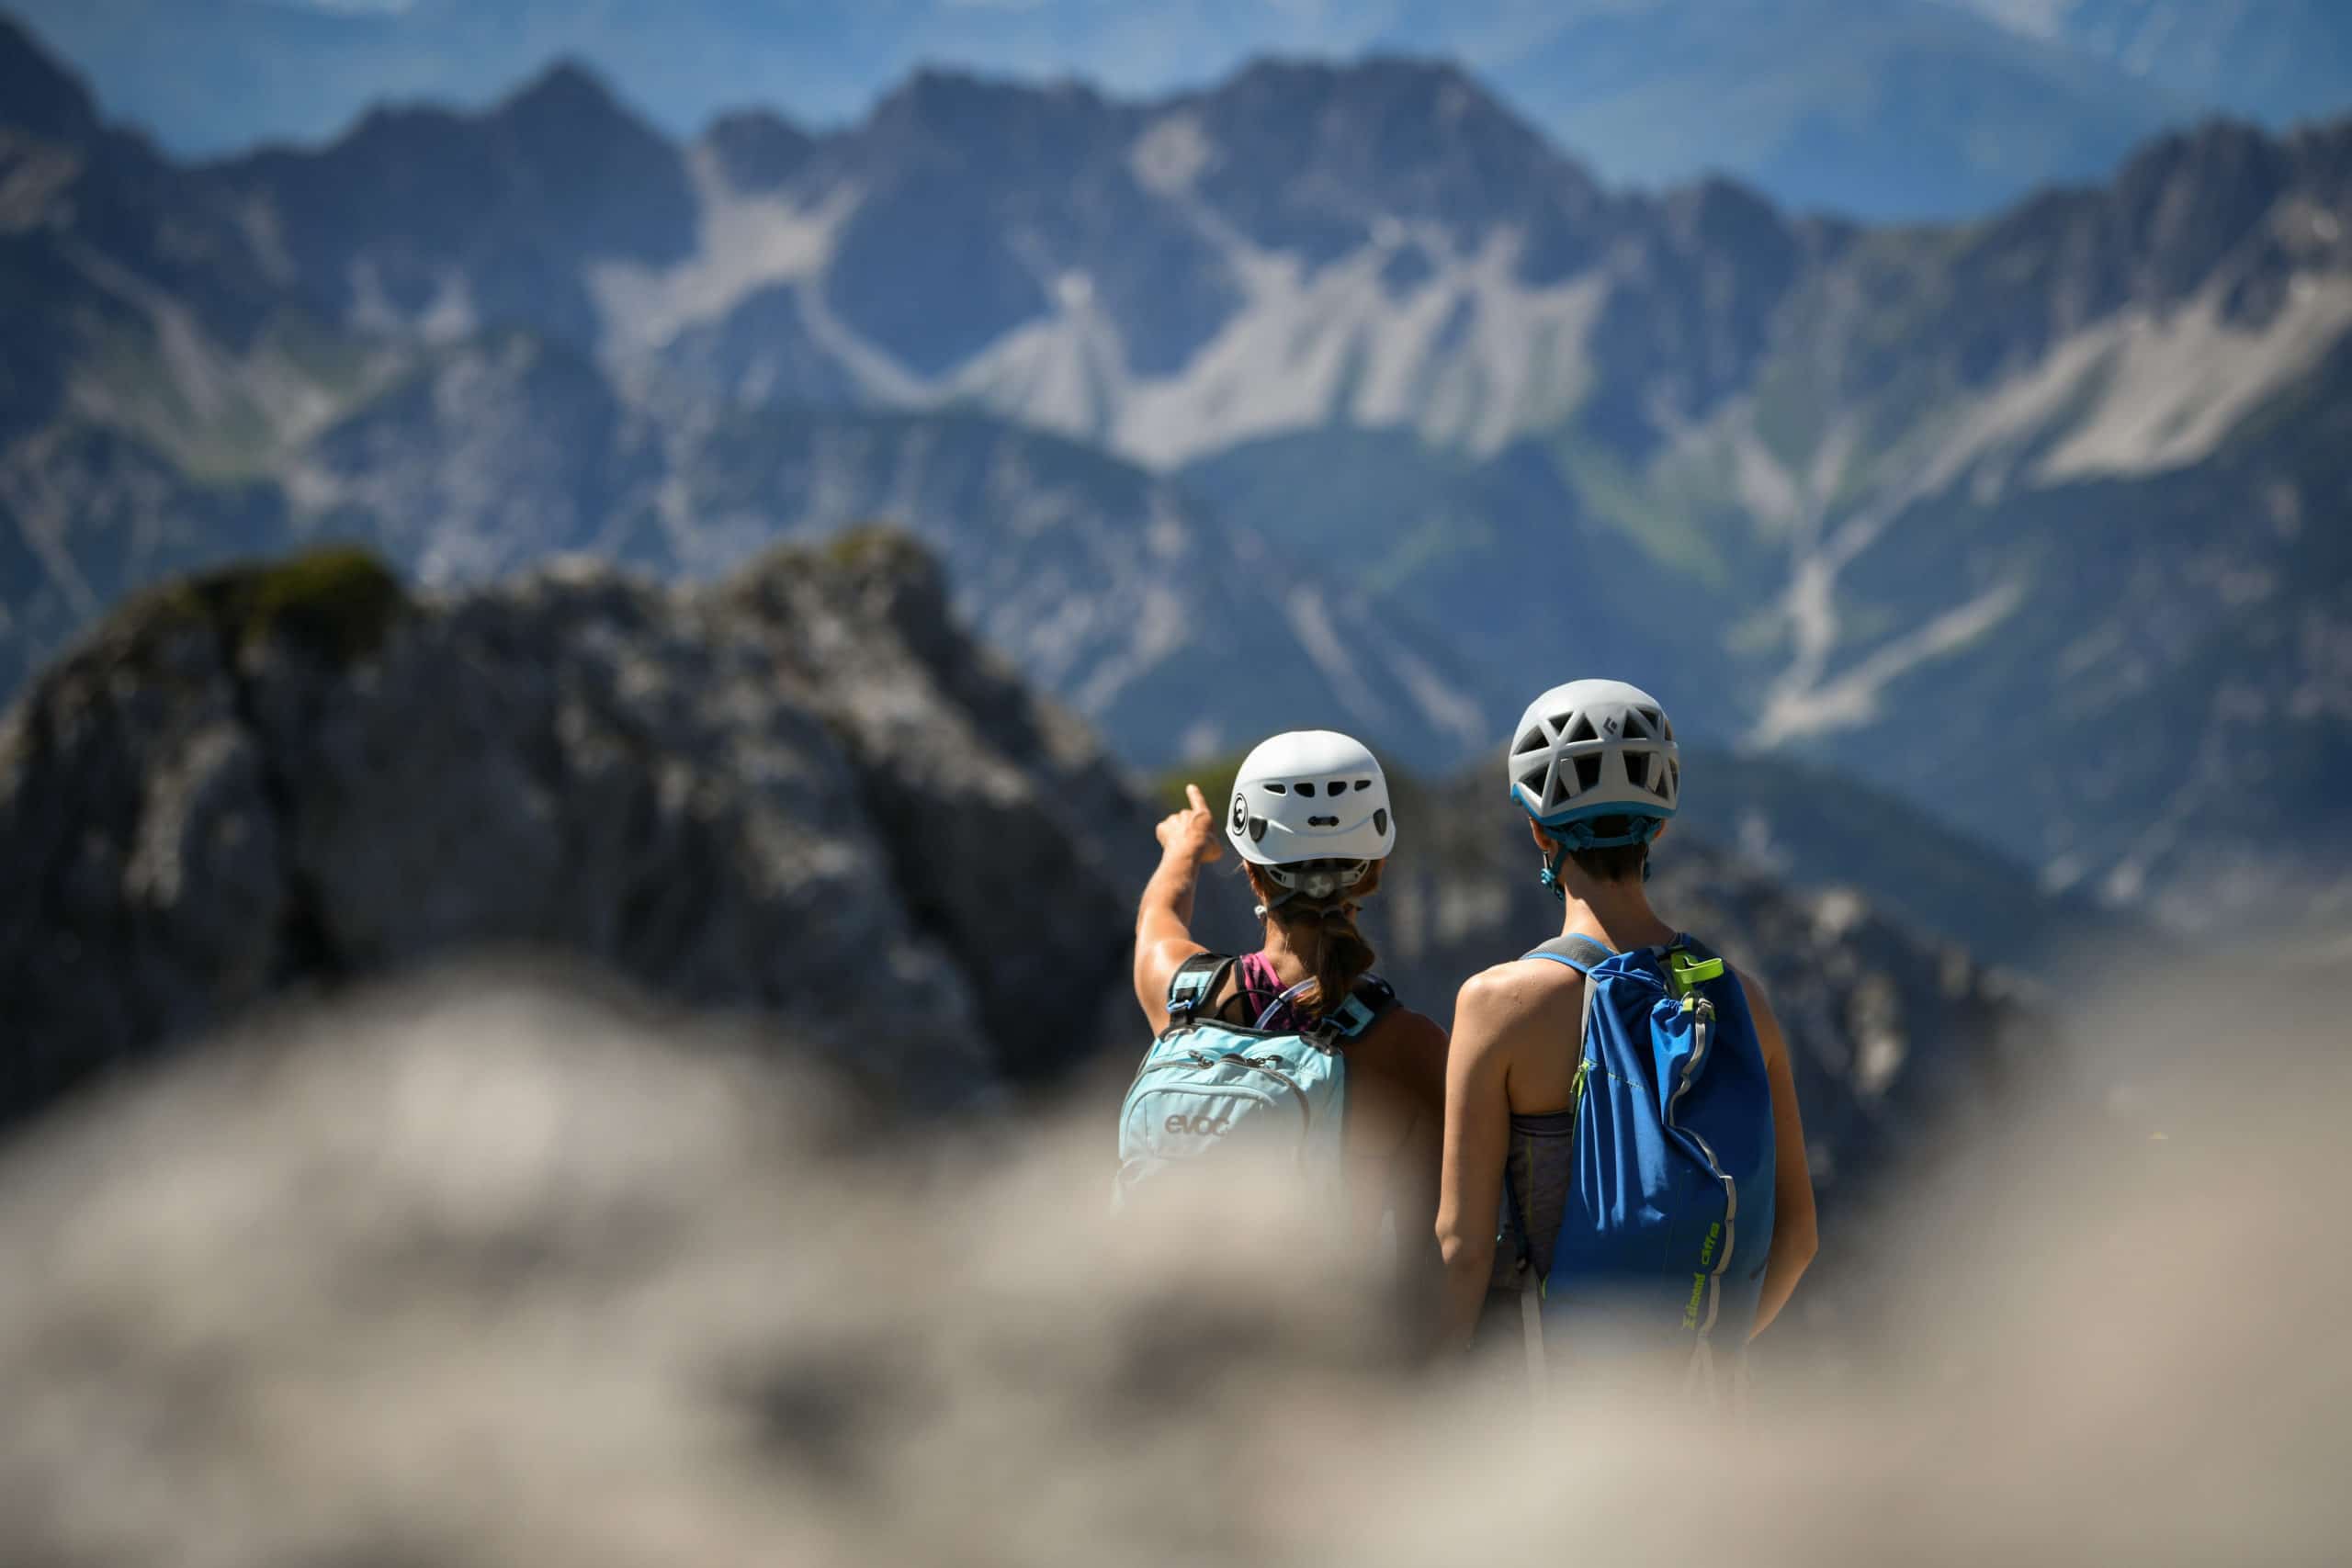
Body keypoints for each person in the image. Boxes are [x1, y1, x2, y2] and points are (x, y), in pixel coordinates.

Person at [1433, 681, 1817, 1388]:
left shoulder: (1499, 1007)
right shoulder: (1743, 1002)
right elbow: (1797, 1240)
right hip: (1703, 1424)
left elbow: (1462, 1249)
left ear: (1540, 830)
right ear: (1659, 826)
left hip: (1564, 1433)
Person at [1126, 731, 1450, 1285]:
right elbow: (1449, 1234)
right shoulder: (1407, 1047)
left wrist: (1185, 845)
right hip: (1316, 1351)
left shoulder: (1180, 995)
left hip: (1169, 1339)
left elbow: (1157, 916)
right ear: (1374, 869)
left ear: (1251, 871)